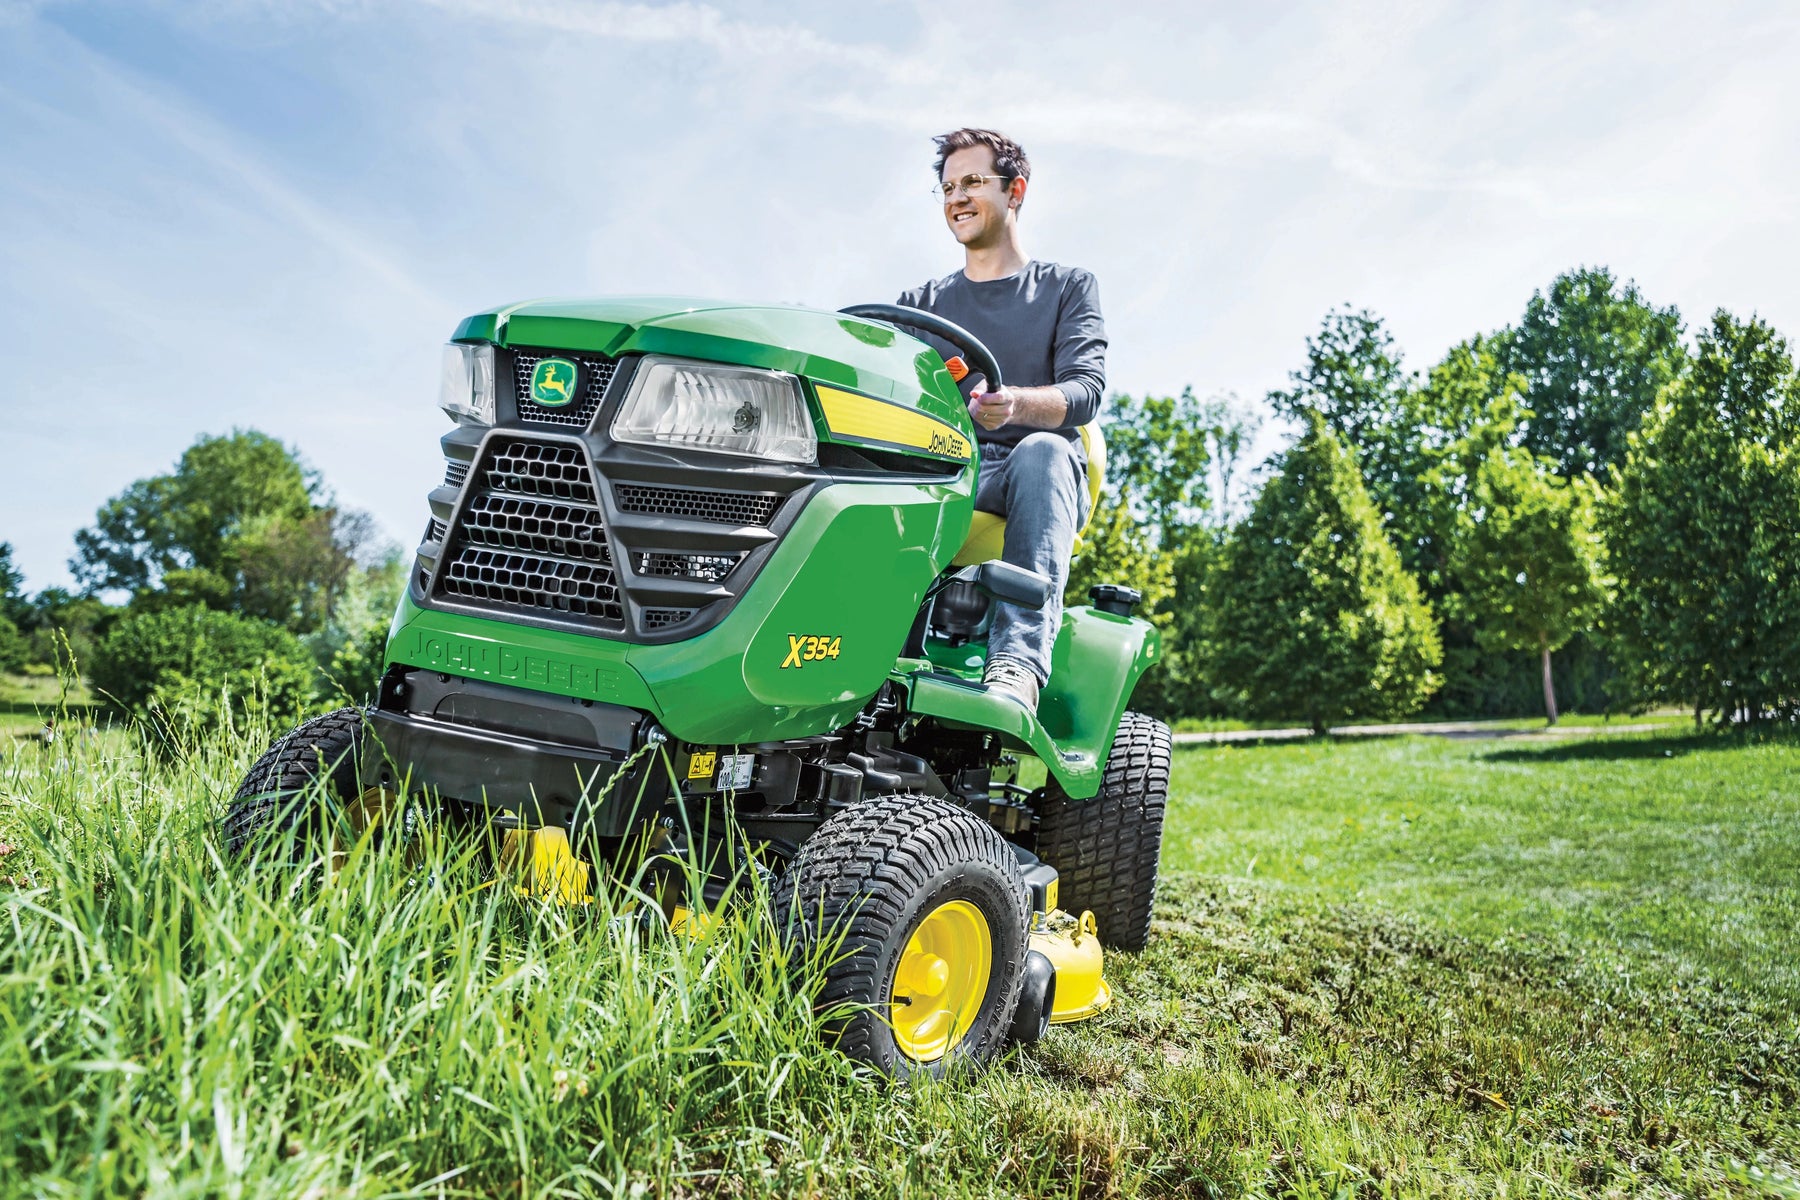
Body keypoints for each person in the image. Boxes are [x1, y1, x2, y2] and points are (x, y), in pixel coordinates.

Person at [897, 128, 1106, 714]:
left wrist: (1014, 404)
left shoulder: (1066, 288)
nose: (956, 198)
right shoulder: (920, 304)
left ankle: (1016, 662)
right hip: (947, 468)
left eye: (972, 183)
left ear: (1014, 191)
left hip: (1027, 474)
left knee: (1044, 449)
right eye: (947, 188)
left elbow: (1086, 392)